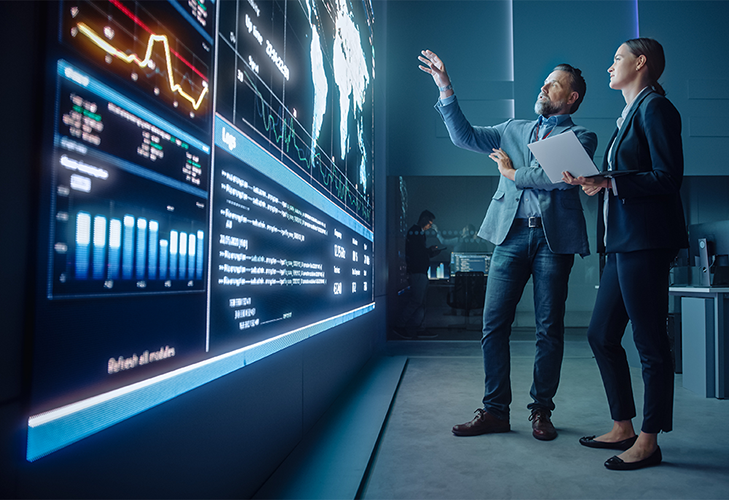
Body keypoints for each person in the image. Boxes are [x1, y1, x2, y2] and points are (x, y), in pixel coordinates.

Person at [418, 50, 597, 440]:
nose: (544, 86)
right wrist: (445, 87)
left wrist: (511, 172)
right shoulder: (512, 129)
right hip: (509, 234)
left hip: (554, 242)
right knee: (492, 325)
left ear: (572, 98)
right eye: (545, 80)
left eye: (554, 83)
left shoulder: (581, 137)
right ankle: (495, 410)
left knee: (549, 329)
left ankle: (541, 412)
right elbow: (463, 136)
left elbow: (550, 177)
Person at [562, 38, 687, 470]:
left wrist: (612, 182)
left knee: (650, 343)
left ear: (641, 63)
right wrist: (599, 181)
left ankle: (649, 441)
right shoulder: (629, 115)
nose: (610, 65)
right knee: (600, 335)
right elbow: (630, 176)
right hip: (621, 242)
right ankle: (623, 425)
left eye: (617, 58)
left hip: (645, 243)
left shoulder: (656, 109)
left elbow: (668, 178)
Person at [395, 210, 443, 338]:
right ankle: (400, 326)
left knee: (421, 302)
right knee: (417, 301)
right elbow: (417, 253)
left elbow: (420, 253)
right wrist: (429, 251)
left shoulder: (419, 233)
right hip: (417, 272)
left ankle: (419, 328)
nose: (429, 226)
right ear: (424, 219)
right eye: (429, 223)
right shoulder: (415, 232)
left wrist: (430, 252)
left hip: (420, 272)